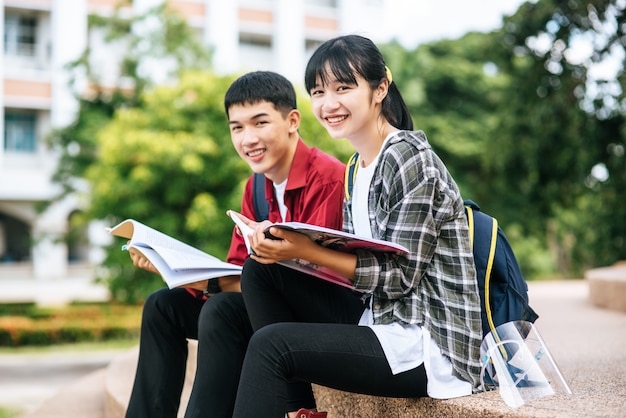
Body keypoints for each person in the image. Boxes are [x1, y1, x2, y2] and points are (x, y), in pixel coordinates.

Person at [231, 35, 483, 418]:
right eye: (318, 92)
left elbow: (400, 278)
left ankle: (296, 408)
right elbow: (359, 262)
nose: (328, 104)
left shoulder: (409, 158)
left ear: (380, 88)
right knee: (260, 271)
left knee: (272, 344)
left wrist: (306, 251)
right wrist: (290, 250)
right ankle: (301, 411)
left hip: (428, 343)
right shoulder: (355, 167)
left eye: (343, 88)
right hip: (379, 319)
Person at [124, 71, 346, 418]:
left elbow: (317, 282)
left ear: (292, 120)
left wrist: (207, 283)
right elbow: (238, 268)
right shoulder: (255, 188)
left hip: (318, 317)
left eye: (259, 123)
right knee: (162, 307)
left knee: (220, 310)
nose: (248, 139)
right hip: (264, 310)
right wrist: (177, 272)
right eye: (237, 127)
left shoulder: (328, 178)